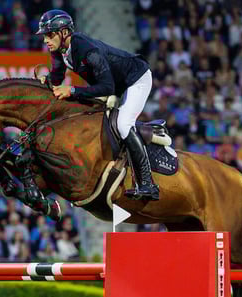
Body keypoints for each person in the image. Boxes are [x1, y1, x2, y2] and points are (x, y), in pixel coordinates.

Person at [36, 9, 159, 201]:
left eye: (50, 35)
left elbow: (107, 87)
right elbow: (57, 77)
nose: (46, 40)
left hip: (136, 79)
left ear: (64, 32)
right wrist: (47, 81)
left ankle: (147, 183)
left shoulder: (88, 50)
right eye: (45, 36)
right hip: (116, 85)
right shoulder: (59, 50)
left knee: (123, 124)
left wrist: (72, 90)